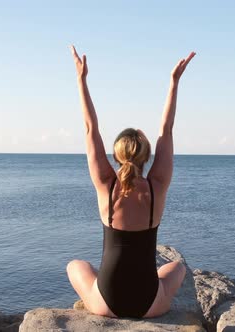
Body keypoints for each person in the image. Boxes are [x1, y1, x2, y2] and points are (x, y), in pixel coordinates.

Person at [66, 45, 195, 318]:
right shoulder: (157, 185)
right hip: (150, 305)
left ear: (116, 154)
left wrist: (81, 79)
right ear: (147, 156)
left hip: (106, 304)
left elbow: (90, 129)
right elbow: (167, 131)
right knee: (178, 268)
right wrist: (174, 83)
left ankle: (102, 293)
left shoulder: (105, 183)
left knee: (75, 266)